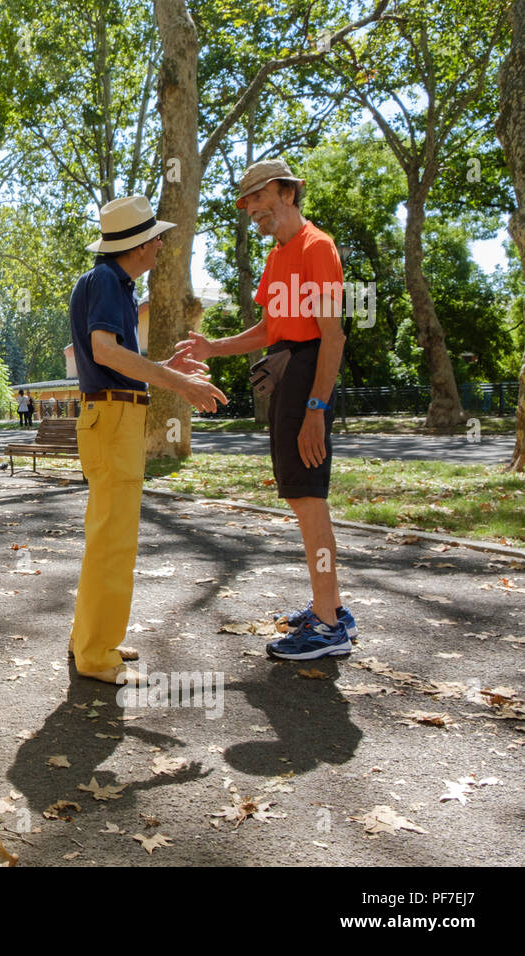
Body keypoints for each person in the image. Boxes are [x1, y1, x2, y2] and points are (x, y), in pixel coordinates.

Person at [175, 158, 354, 661]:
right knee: (302, 497)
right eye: (246, 201)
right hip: (288, 373)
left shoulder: (318, 247)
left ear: (287, 193)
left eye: (257, 196)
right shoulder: (277, 258)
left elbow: (332, 335)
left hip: (309, 376)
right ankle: (332, 608)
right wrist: (213, 348)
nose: (250, 208)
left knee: (308, 498)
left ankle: (326, 627)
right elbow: (270, 331)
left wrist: (317, 407)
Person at [67, 195, 227, 685]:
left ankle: (92, 640)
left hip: (113, 416)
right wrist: (180, 384)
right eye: (155, 236)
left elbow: (113, 356)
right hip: (113, 418)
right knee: (113, 541)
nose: (160, 244)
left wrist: (165, 371)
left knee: (108, 537)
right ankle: (96, 654)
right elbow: (105, 352)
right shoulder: (110, 282)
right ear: (137, 244)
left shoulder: (105, 282)